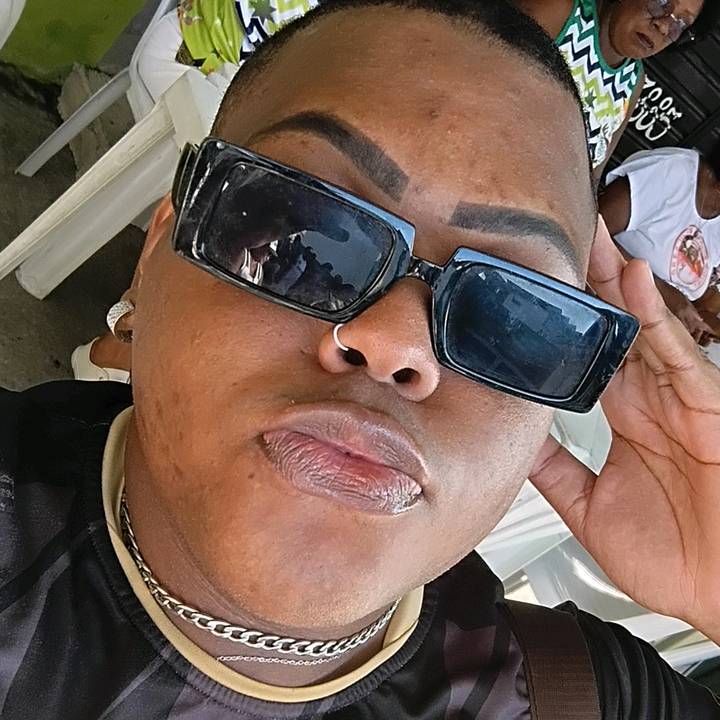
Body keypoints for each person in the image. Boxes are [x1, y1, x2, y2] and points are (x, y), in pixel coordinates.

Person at [8, 4, 718, 716]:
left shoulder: (573, 697)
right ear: (158, 248)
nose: (396, 344)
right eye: (304, 234)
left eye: (509, 313)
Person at [515, 0, 705, 173]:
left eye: (681, 24)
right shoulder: (560, 13)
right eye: (661, 3)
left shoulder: (633, 80)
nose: (663, 27)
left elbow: (592, 176)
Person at [600, 146, 720, 345]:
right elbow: (589, 230)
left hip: (637, 336)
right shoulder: (672, 172)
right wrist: (666, 296)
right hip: (598, 314)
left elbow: (688, 287)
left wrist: (697, 320)